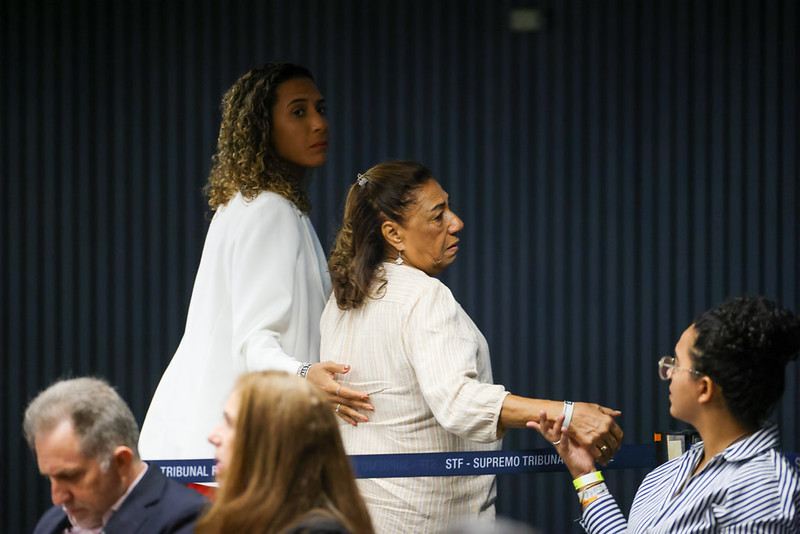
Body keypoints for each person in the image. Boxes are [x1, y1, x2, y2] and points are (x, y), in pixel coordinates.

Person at [320, 160, 624, 533]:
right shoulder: (424, 295)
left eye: (448, 206)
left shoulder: (338, 303)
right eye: (438, 215)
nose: (456, 221)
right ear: (393, 234)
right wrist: (568, 413)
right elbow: (458, 402)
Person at [139, 62, 371, 462]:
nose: (319, 124)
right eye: (298, 112)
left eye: (320, 109)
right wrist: (306, 374)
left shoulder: (251, 204)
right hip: (229, 456)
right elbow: (254, 342)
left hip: (202, 446)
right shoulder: (270, 209)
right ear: (263, 127)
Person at [531, 296, 800, 532]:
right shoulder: (667, 473)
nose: (668, 372)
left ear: (704, 388)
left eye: (677, 363)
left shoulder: (763, 487)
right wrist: (585, 473)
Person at [195, 370, 374, 534]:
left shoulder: (317, 530)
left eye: (230, 423)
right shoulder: (250, 516)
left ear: (272, 442)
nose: (213, 436)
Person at [24, 377, 207, 534]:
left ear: (121, 462)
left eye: (71, 476)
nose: (57, 498)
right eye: (51, 478)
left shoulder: (192, 519)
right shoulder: (52, 522)